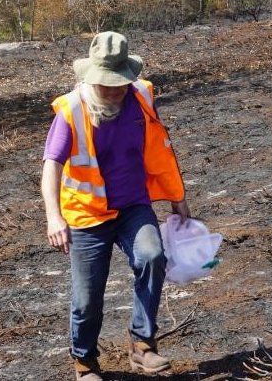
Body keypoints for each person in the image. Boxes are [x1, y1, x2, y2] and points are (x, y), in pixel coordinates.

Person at [40, 31, 190, 381]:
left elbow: (160, 151)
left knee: (153, 256)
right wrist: (53, 217)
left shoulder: (141, 98)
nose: (113, 91)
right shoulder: (72, 111)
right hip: (86, 214)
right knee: (87, 300)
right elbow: (51, 166)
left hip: (132, 206)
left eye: (119, 83)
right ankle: (85, 363)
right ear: (90, 78)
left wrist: (178, 197)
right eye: (106, 84)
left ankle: (141, 344)